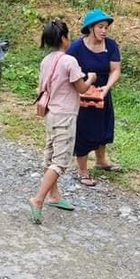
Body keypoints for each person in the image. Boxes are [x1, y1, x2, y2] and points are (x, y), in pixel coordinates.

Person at [28, 20, 97, 224]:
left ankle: (54, 196)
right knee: (60, 160)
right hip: (65, 116)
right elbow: (82, 88)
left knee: (49, 155)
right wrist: (91, 78)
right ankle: (38, 199)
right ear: (63, 38)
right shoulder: (69, 61)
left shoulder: (46, 60)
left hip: (50, 114)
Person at [66, 8, 121, 186]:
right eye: (100, 27)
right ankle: (82, 169)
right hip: (83, 92)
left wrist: (107, 88)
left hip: (103, 92)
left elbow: (115, 69)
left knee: (104, 127)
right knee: (84, 130)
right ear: (90, 28)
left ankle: (101, 160)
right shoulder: (76, 47)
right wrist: (82, 85)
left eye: (106, 27)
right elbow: (66, 68)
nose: (104, 31)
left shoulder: (111, 45)